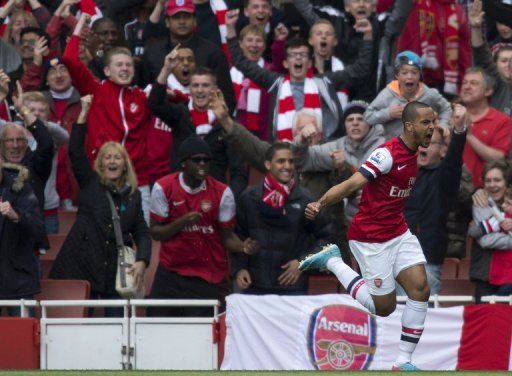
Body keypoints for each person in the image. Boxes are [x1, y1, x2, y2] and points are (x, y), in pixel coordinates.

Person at [299, 101, 437, 371]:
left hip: (397, 230)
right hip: (370, 238)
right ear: (409, 126)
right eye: (426, 123)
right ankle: (332, 261)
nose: (432, 127)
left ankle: (403, 362)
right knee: (383, 308)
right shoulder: (386, 154)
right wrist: (320, 203)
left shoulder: (414, 153)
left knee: (421, 288)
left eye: (433, 122)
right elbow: (352, 184)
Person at [50, 95, 151, 317]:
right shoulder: (90, 182)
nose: (113, 161)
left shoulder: (133, 196)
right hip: (82, 264)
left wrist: (143, 260)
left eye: (117, 157)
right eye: (108, 158)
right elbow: (75, 151)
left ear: (125, 165)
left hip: (115, 272)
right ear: (100, 164)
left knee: (116, 328)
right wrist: (84, 113)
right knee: (79, 328)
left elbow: (142, 232)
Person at [148, 135, 257, 317]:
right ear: (183, 162)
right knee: (157, 331)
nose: (202, 164)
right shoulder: (163, 187)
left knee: (206, 339)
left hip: (208, 277)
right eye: (196, 160)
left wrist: (242, 246)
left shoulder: (223, 193)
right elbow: (156, 232)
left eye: (206, 160)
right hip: (171, 274)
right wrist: (182, 222)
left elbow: (227, 236)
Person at [226, 8, 373, 142]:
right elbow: (241, 63)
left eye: (302, 55)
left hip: (319, 149)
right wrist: (230, 29)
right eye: (293, 55)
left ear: (309, 63)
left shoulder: (324, 82)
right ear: (285, 63)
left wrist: (367, 35)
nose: (298, 58)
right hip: (283, 151)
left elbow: (360, 69)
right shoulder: (275, 82)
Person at [63, 13, 153, 221]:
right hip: (103, 176)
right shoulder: (95, 89)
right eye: (119, 65)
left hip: (138, 179)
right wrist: (80, 26)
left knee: (141, 237)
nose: (124, 68)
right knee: (104, 239)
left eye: (128, 65)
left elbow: (174, 97)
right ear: (106, 70)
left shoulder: (141, 97)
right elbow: (69, 59)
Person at [233, 142, 333, 295]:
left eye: (291, 161)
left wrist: (303, 263)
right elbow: (239, 237)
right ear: (268, 164)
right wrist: (240, 269)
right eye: (281, 161)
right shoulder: (249, 198)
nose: (287, 166)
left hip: (293, 289)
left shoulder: (307, 199)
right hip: (255, 286)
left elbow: (326, 238)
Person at [148, 49, 247, 199]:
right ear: (190, 89)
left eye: (205, 85)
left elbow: (239, 172)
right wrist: (166, 69)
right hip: (179, 196)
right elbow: (155, 103)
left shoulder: (226, 123)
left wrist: (228, 199)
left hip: (214, 199)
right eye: (195, 86)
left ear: (214, 89)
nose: (200, 91)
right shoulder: (180, 115)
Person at [402, 104, 468, 295]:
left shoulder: (443, 178)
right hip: (396, 260)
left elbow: (454, 160)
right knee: (392, 319)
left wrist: (459, 130)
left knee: (425, 317)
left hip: (426, 261)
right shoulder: (403, 174)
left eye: (430, 142)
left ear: (442, 151)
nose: (424, 146)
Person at [292, 0, 412, 101]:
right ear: (347, 7)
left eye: (366, 0)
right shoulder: (333, 24)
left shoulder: (384, 26)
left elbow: (402, 10)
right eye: (356, 1)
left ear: (374, 6)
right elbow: (305, 9)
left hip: (376, 100)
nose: (361, 4)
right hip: (340, 99)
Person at [141, 0, 236, 113]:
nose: (182, 21)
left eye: (186, 16)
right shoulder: (153, 53)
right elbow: (141, 94)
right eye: (176, 17)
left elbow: (227, 99)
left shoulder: (213, 53)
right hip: (160, 124)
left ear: (195, 21)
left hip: (205, 125)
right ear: (167, 21)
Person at [364, 50, 452, 140]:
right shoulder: (387, 94)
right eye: (404, 73)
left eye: (414, 72)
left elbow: (446, 108)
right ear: (397, 75)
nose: (409, 77)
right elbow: (367, 117)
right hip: (394, 146)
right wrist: (388, 113)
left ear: (420, 75)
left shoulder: (429, 94)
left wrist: (443, 124)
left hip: (421, 147)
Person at [0, 156, 45, 316]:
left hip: (19, 278)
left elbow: (39, 230)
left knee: (24, 337)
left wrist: (16, 216)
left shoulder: (20, 188)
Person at [460, 67, 512, 188]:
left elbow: (499, 158)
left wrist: (469, 135)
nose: (467, 87)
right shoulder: (452, 114)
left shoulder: (502, 121)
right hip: (451, 191)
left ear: (488, 91)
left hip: (485, 192)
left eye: (474, 83)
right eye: (465, 82)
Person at [469, 184, 512, 301]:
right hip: (501, 275)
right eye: (504, 202)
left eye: (508, 203)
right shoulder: (501, 218)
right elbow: (478, 230)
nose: (503, 206)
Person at [469, 0, 512, 116]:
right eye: (504, 61)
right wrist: (476, 28)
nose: (509, 65)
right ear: (495, 64)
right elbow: (481, 54)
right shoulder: (497, 86)